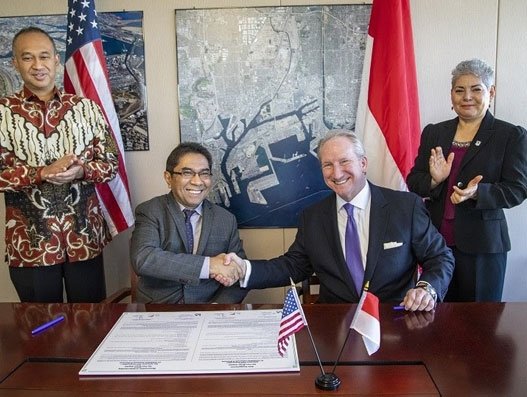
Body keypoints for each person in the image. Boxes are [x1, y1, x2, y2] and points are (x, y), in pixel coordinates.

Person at [220, 130, 454, 312]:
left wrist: (426, 289)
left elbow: (440, 257)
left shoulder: (406, 207)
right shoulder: (312, 217)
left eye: (344, 162)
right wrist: (244, 269)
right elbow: (292, 266)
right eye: (327, 165)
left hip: (393, 318)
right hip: (335, 322)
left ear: (363, 164)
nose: (337, 173)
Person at [0, 27, 119, 303]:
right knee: (42, 330)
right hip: (31, 243)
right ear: (14, 63)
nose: (38, 65)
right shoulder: (3, 113)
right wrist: (40, 173)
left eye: (44, 56)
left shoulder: (86, 109)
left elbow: (110, 165)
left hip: (84, 239)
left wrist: (83, 171)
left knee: (91, 326)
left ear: (56, 59)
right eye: (27, 58)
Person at [407, 59, 527, 302]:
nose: (467, 97)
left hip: (483, 246)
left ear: (490, 92)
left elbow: (518, 189)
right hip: (436, 244)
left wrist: (477, 193)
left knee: (480, 324)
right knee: (435, 318)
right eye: (459, 90)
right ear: (451, 95)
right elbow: (414, 181)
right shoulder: (434, 132)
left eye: (476, 89)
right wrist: (434, 181)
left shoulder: (510, 135)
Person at [130, 142, 247, 304]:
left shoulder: (226, 219)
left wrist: (217, 307)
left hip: (209, 310)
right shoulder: (150, 211)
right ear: (168, 178)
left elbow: (238, 272)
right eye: (187, 173)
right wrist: (209, 265)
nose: (197, 182)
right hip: (159, 310)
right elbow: (144, 259)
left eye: (204, 174)